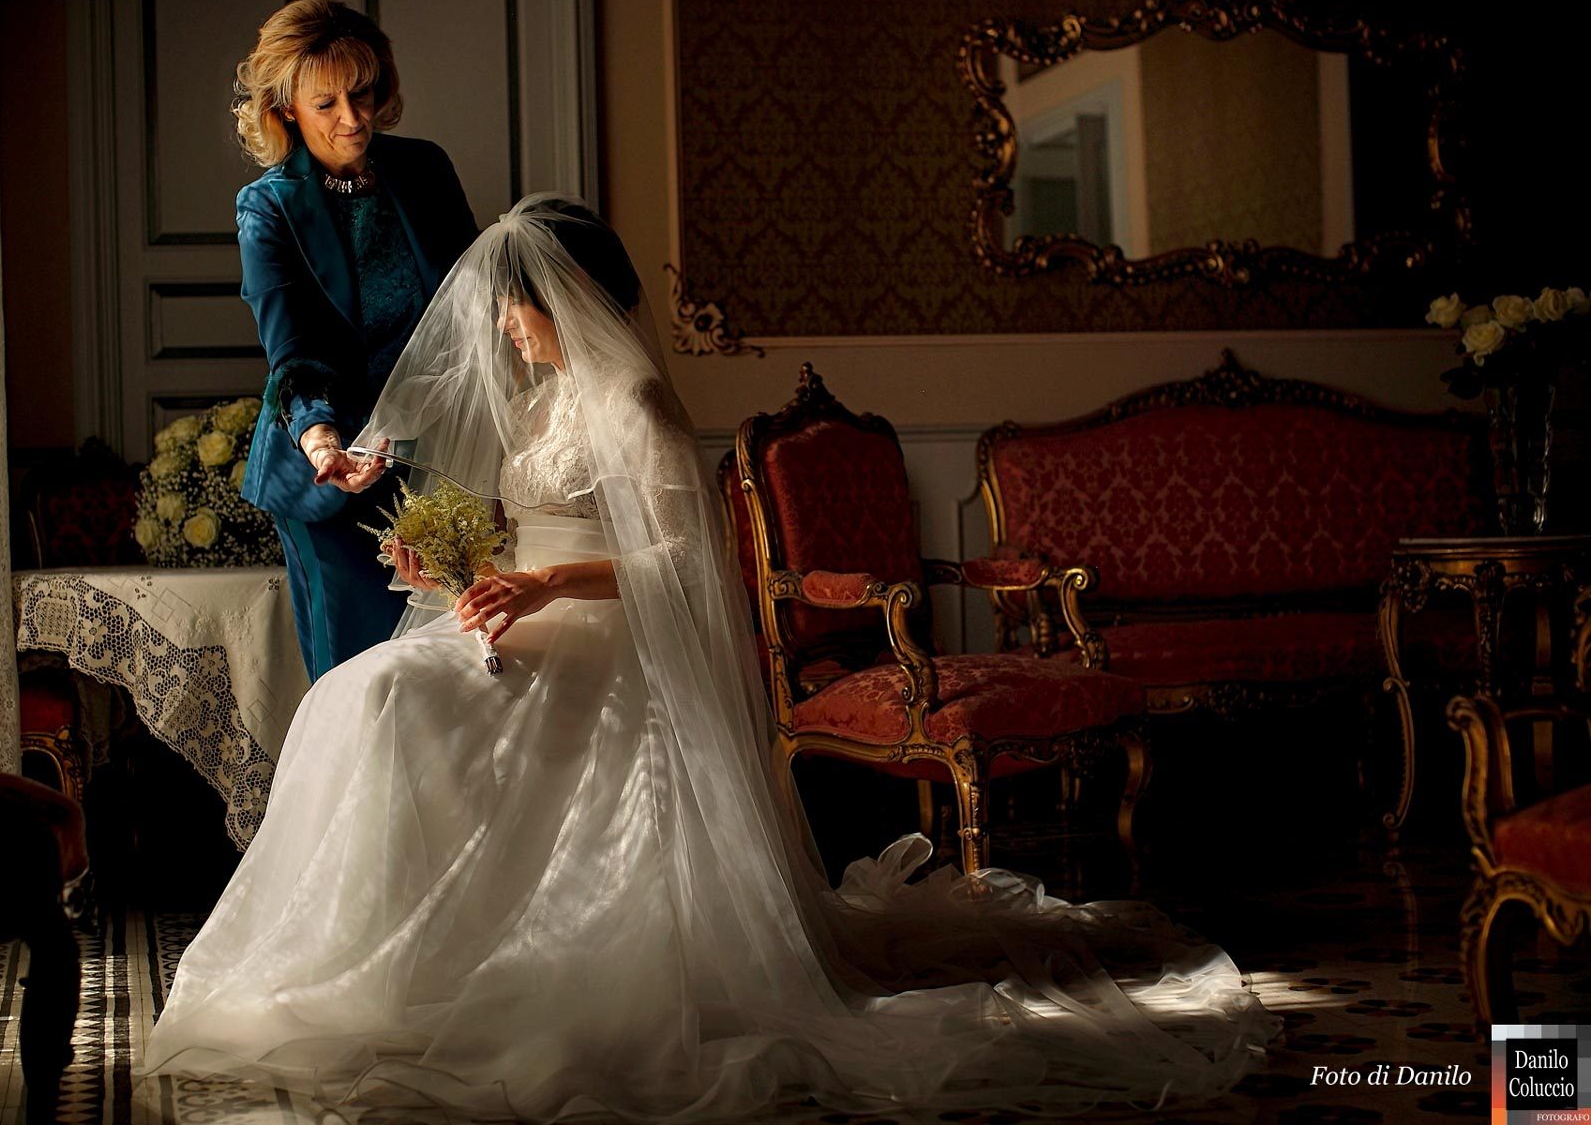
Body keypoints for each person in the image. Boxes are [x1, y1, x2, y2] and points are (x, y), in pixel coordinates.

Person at [143, 195, 1277, 1121]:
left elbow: (682, 561)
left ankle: (462, 963)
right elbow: (511, 535)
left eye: (515, 308)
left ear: (565, 296)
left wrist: (545, 586)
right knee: (362, 695)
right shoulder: (539, 406)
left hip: (605, 637)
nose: (503, 329)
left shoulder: (632, 400)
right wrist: (457, 569)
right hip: (525, 620)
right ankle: (402, 957)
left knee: (390, 702)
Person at [230, 0, 478, 679]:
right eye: (326, 103)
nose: (353, 117)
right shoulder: (268, 207)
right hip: (331, 478)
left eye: (362, 93)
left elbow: (472, 302)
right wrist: (322, 441)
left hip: (435, 464)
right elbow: (292, 351)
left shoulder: (424, 170)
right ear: (286, 108)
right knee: (359, 682)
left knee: (452, 679)